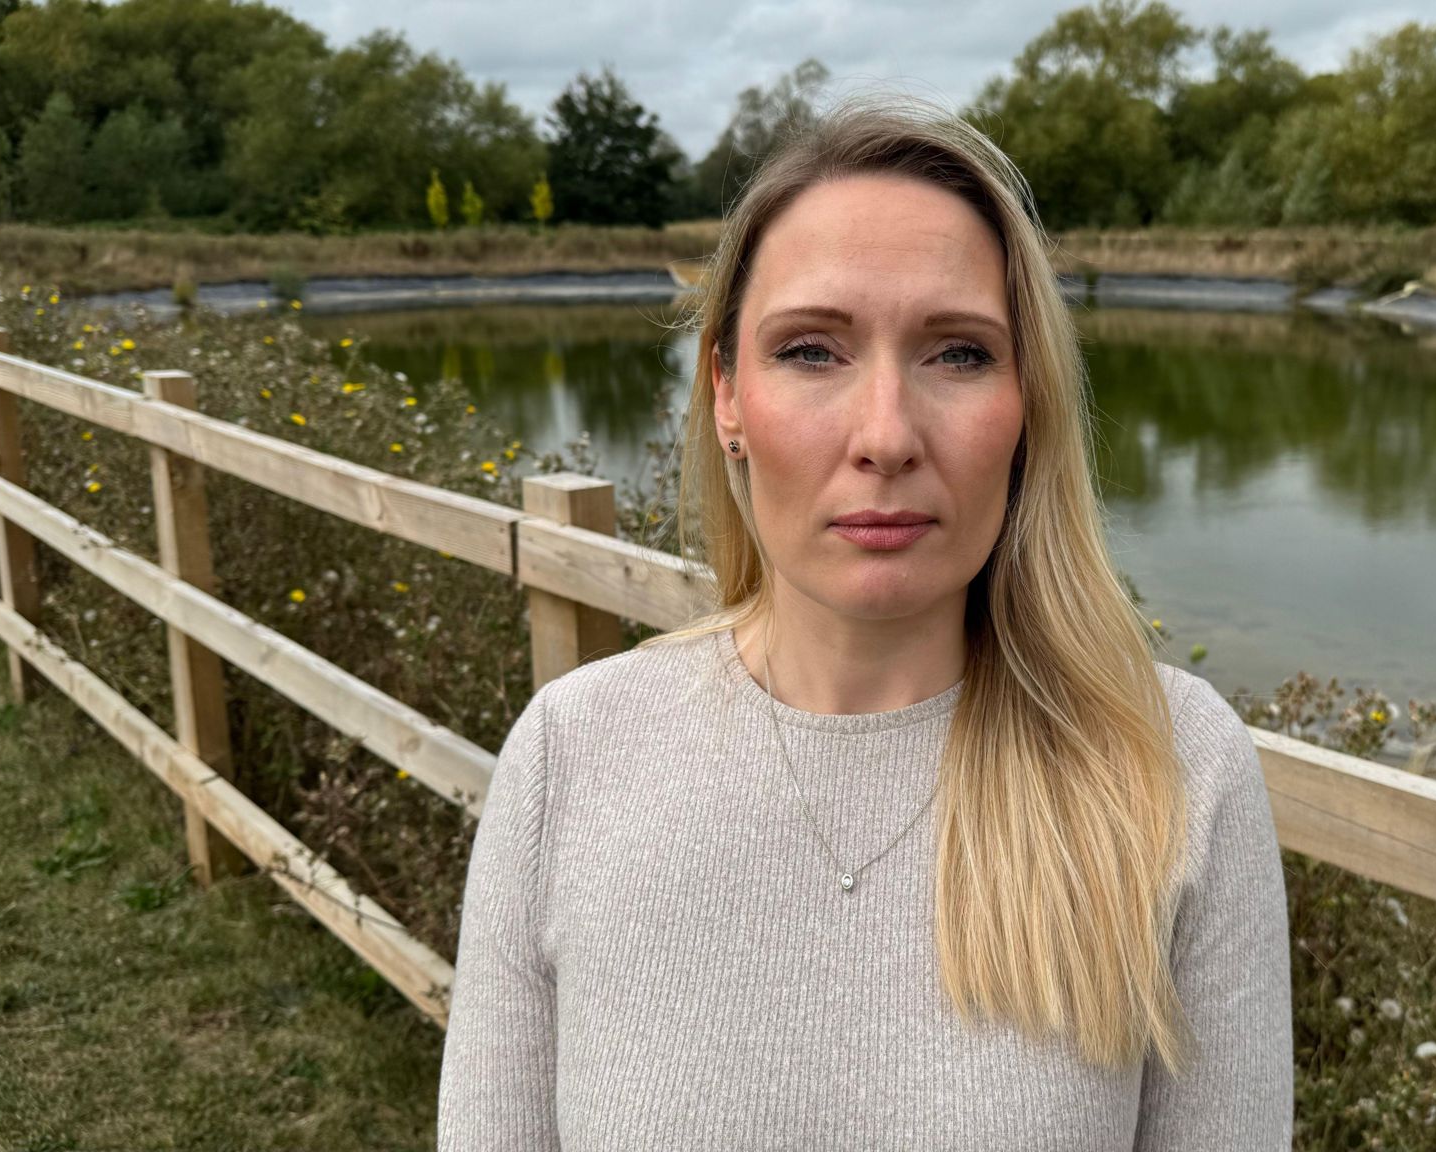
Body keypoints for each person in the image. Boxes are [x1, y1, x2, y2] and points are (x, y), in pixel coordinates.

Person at [436, 95, 1294, 1150]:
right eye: (809, 351)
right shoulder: (571, 755)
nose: (885, 436)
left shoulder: (1170, 769)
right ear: (726, 395)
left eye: (958, 354)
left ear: (1029, 407)